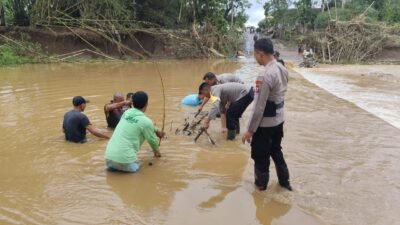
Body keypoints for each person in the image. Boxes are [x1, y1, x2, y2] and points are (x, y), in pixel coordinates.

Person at [242, 38, 292, 191]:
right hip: (279, 120)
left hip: (265, 125)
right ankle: (285, 184)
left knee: (261, 157)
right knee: (276, 151)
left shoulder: (265, 76)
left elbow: (258, 106)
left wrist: (250, 130)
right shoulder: (282, 68)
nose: (254, 58)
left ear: (261, 54)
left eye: (254, 55)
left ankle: (261, 188)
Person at [105, 91, 165, 173]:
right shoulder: (146, 121)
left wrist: (156, 130)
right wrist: (157, 154)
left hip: (109, 159)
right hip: (126, 162)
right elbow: (152, 140)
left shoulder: (126, 113)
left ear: (132, 103)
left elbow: (139, 122)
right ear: (146, 104)